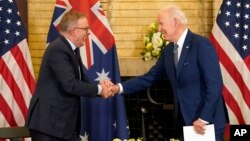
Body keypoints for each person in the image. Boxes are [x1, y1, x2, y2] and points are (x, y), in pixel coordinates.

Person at [111, 5, 227, 141]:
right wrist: (118, 87)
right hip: (185, 123)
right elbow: (149, 78)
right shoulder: (168, 51)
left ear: (175, 22)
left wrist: (204, 118)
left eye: (161, 23)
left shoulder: (201, 44)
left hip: (206, 123)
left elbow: (215, 84)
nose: (159, 29)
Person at [25, 11, 113, 141]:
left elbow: (83, 80)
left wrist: (101, 87)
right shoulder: (58, 49)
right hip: (48, 126)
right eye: (86, 29)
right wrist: (100, 90)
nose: (88, 33)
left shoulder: (71, 49)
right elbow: (70, 85)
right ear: (73, 31)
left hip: (62, 126)